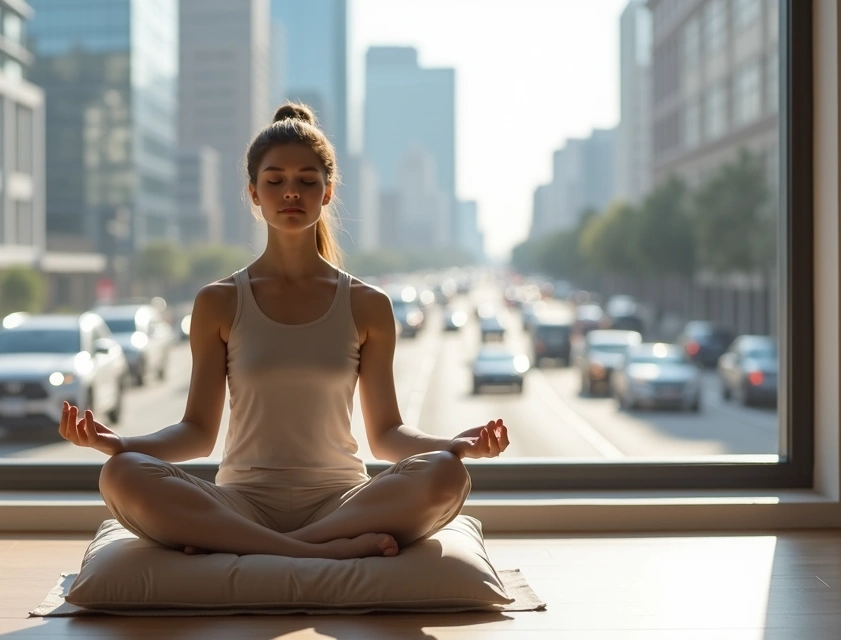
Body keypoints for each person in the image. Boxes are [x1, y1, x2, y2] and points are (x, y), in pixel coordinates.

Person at [59, 103, 510, 560]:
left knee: (448, 475)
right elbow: (197, 433)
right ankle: (319, 551)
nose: (290, 192)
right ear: (254, 193)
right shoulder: (218, 300)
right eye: (275, 181)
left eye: (306, 181)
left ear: (328, 191)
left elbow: (387, 434)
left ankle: (272, 548)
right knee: (119, 474)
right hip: (241, 502)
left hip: (342, 503)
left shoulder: (367, 304)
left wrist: (453, 445)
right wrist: (121, 444)